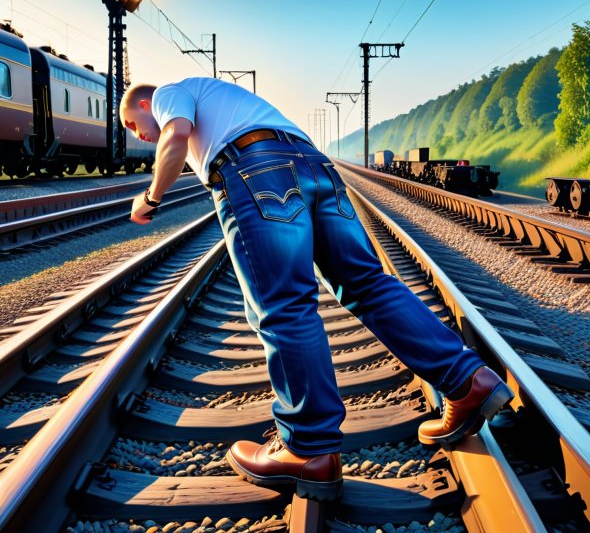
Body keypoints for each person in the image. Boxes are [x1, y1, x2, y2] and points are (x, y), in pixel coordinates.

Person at [120, 78, 514, 501]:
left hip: (256, 169)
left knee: (285, 305)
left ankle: (306, 446)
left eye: (133, 122)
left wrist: (150, 197)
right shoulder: (222, 98)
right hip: (315, 165)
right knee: (367, 283)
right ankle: (467, 379)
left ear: (144, 102)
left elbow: (175, 136)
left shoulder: (166, 95)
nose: (138, 134)